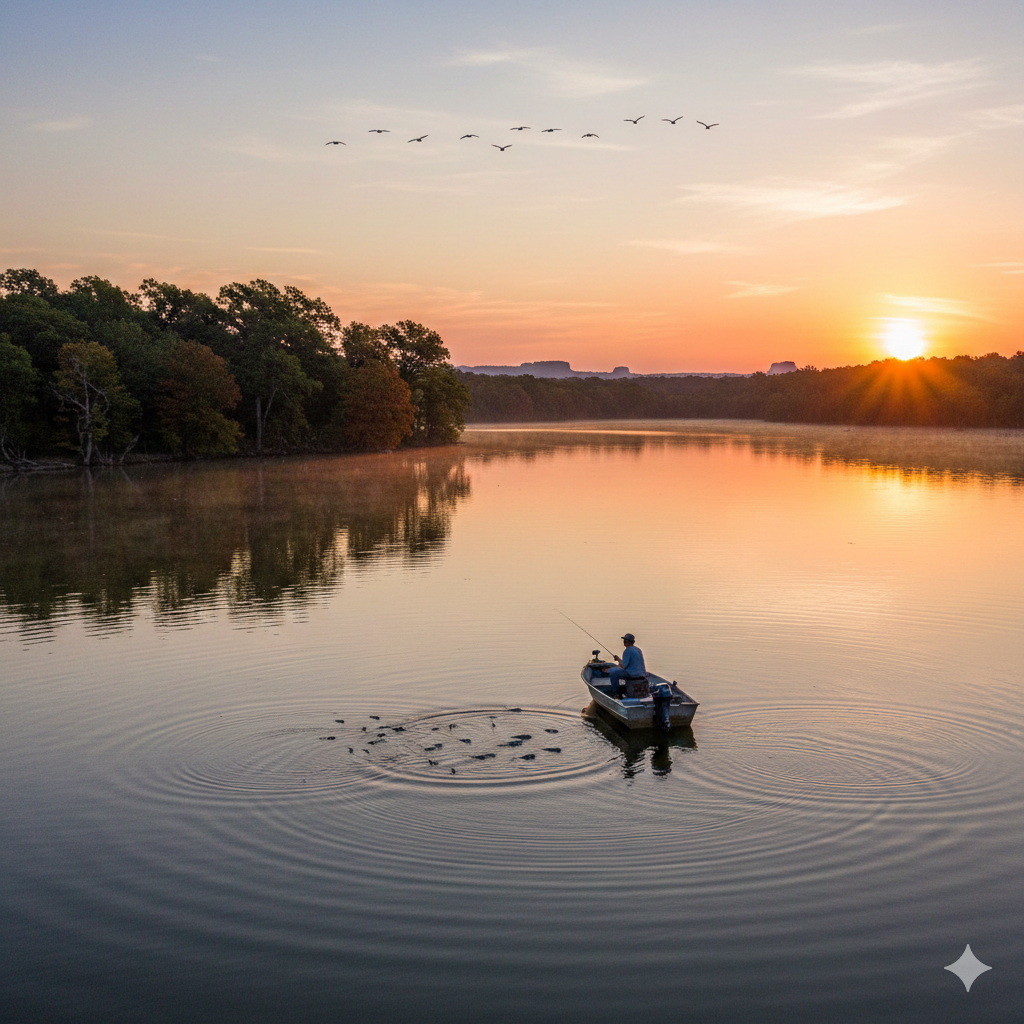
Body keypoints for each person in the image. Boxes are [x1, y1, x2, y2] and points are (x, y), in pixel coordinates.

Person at [608, 633, 646, 697]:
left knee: (613, 674)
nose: (623, 642)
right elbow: (630, 663)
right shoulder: (638, 649)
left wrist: (613, 668)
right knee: (615, 670)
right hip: (642, 673)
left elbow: (623, 666)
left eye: (624, 641)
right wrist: (619, 660)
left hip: (632, 674)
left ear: (627, 642)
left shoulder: (627, 651)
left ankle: (616, 694)